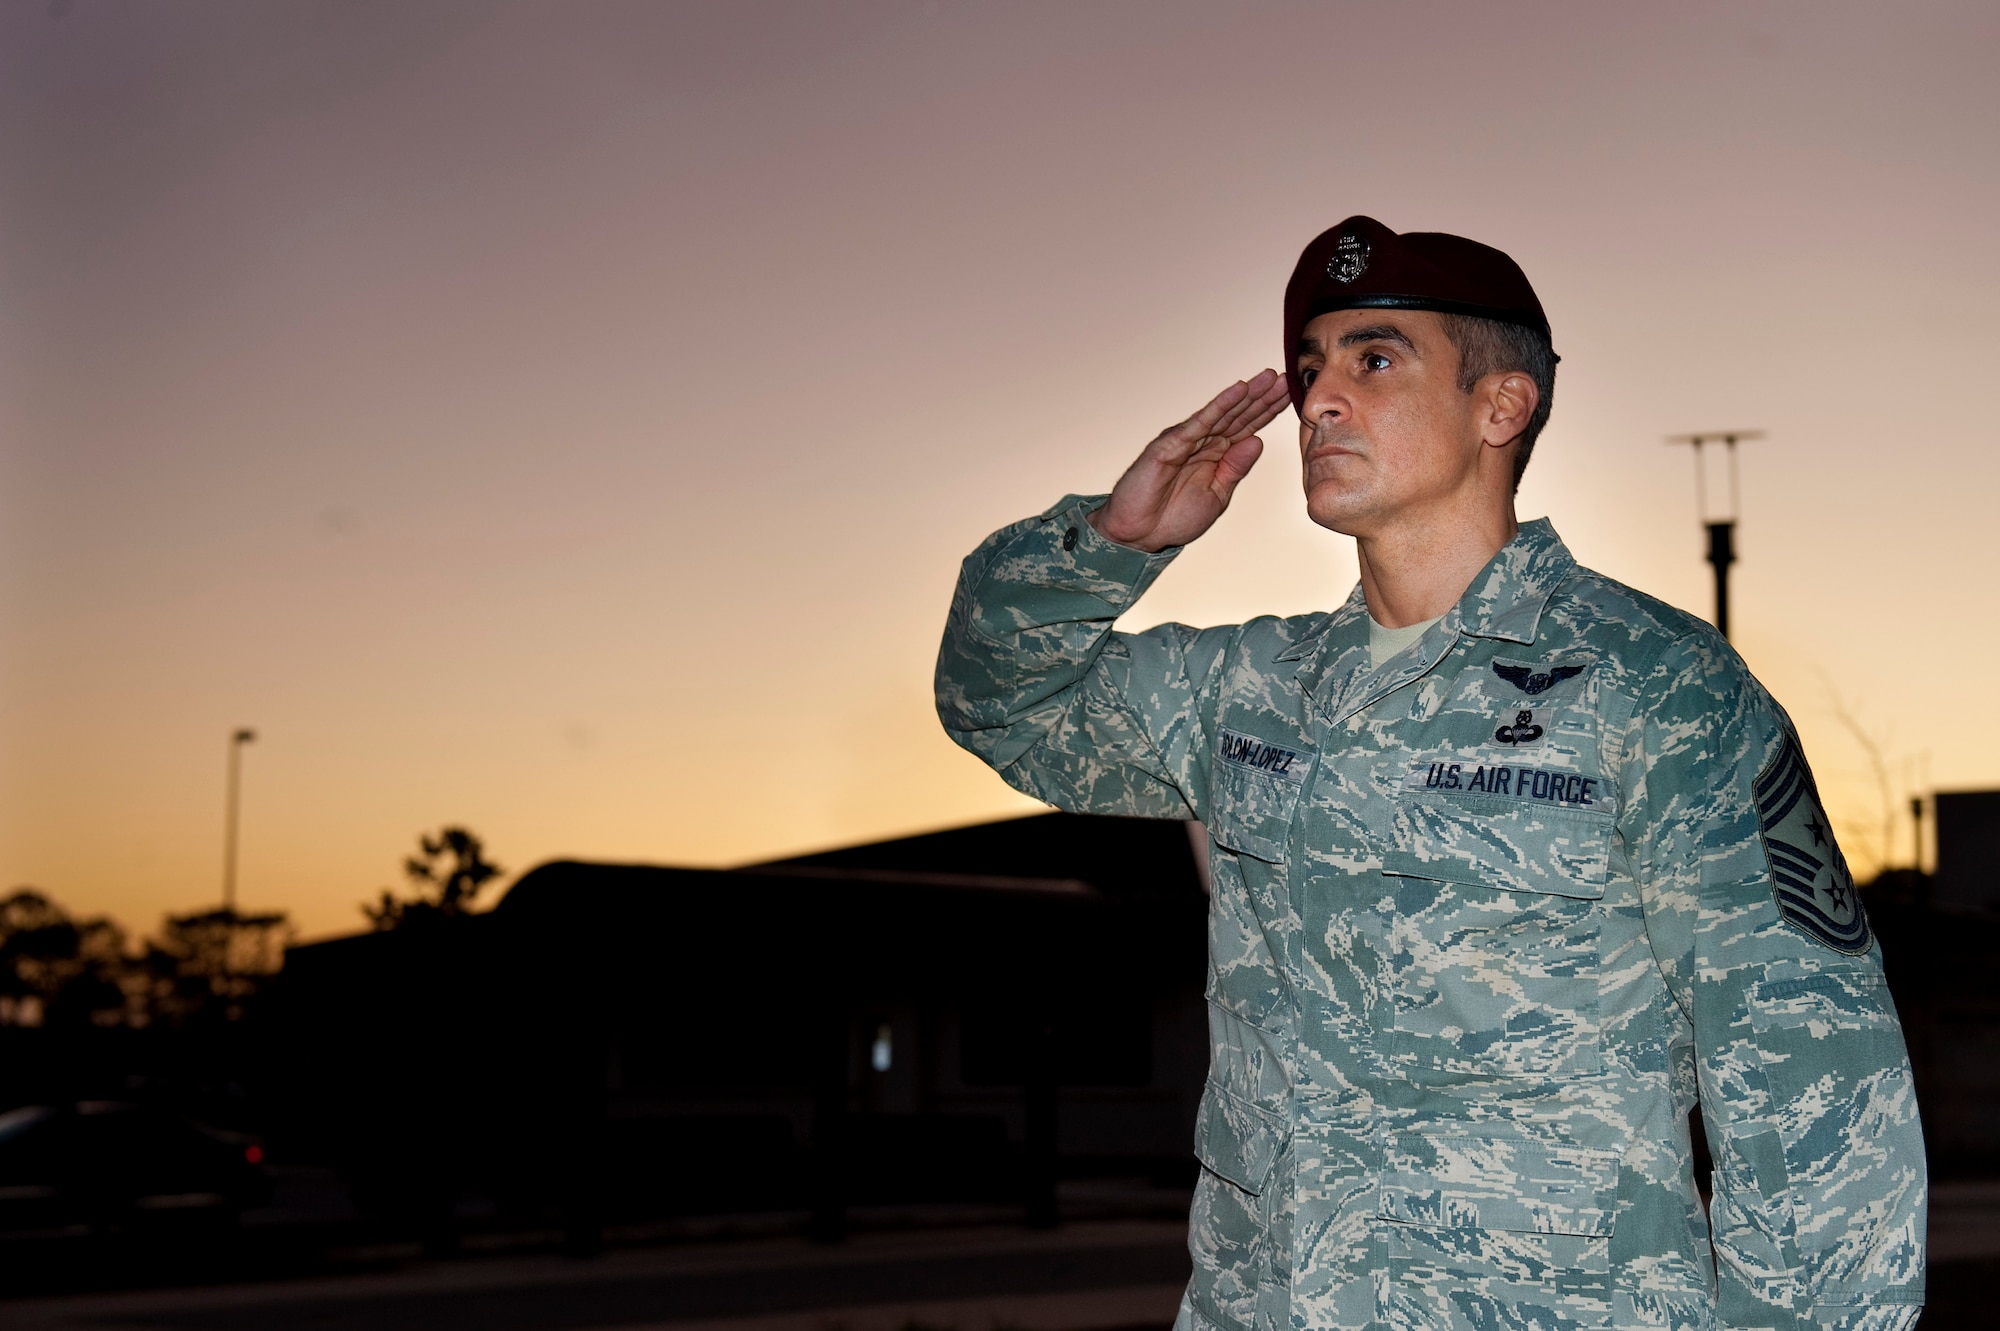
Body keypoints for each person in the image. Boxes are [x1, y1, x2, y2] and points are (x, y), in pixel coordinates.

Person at [934, 216, 1925, 1330]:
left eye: (1373, 358)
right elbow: (1001, 704)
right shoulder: (1251, 687)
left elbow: (1813, 1088)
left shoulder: (1654, 687)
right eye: (1308, 370)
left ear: (1499, 405)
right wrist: (1109, 544)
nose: (1316, 400)